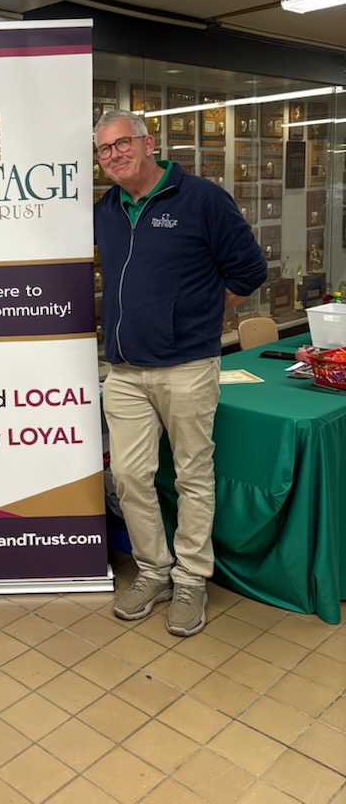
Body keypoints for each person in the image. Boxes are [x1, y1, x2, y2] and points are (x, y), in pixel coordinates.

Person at [94, 110, 267, 636]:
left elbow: (250, 270)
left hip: (187, 366)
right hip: (124, 371)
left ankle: (191, 579)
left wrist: (198, 314)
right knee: (129, 477)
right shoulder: (106, 209)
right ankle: (154, 571)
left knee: (193, 476)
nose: (114, 155)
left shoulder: (202, 199)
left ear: (149, 144)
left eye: (123, 143)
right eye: (104, 149)